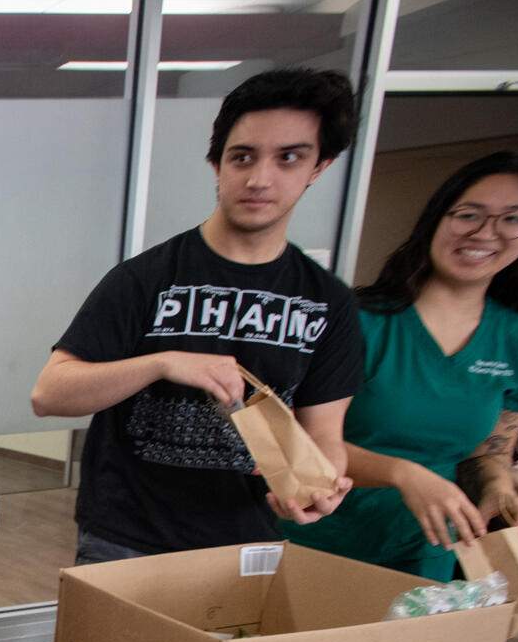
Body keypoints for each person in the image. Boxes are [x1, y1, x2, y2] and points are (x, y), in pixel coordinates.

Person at [31, 68, 365, 563]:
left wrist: (321, 485)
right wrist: (162, 363)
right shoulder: (145, 279)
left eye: (288, 158)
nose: (259, 178)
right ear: (217, 163)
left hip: (247, 540)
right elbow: (50, 393)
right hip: (125, 537)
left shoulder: (328, 302)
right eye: (243, 157)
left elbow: (324, 435)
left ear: (319, 167)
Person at [285, 152, 518, 578]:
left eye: (513, 219)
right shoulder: (356, 320)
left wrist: (499, 488)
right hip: (314, 544)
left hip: (425, 555)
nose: (485, 232)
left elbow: (485, 453)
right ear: (436, 219)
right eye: (469, 214)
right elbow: (290, 441)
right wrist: (403, 473)